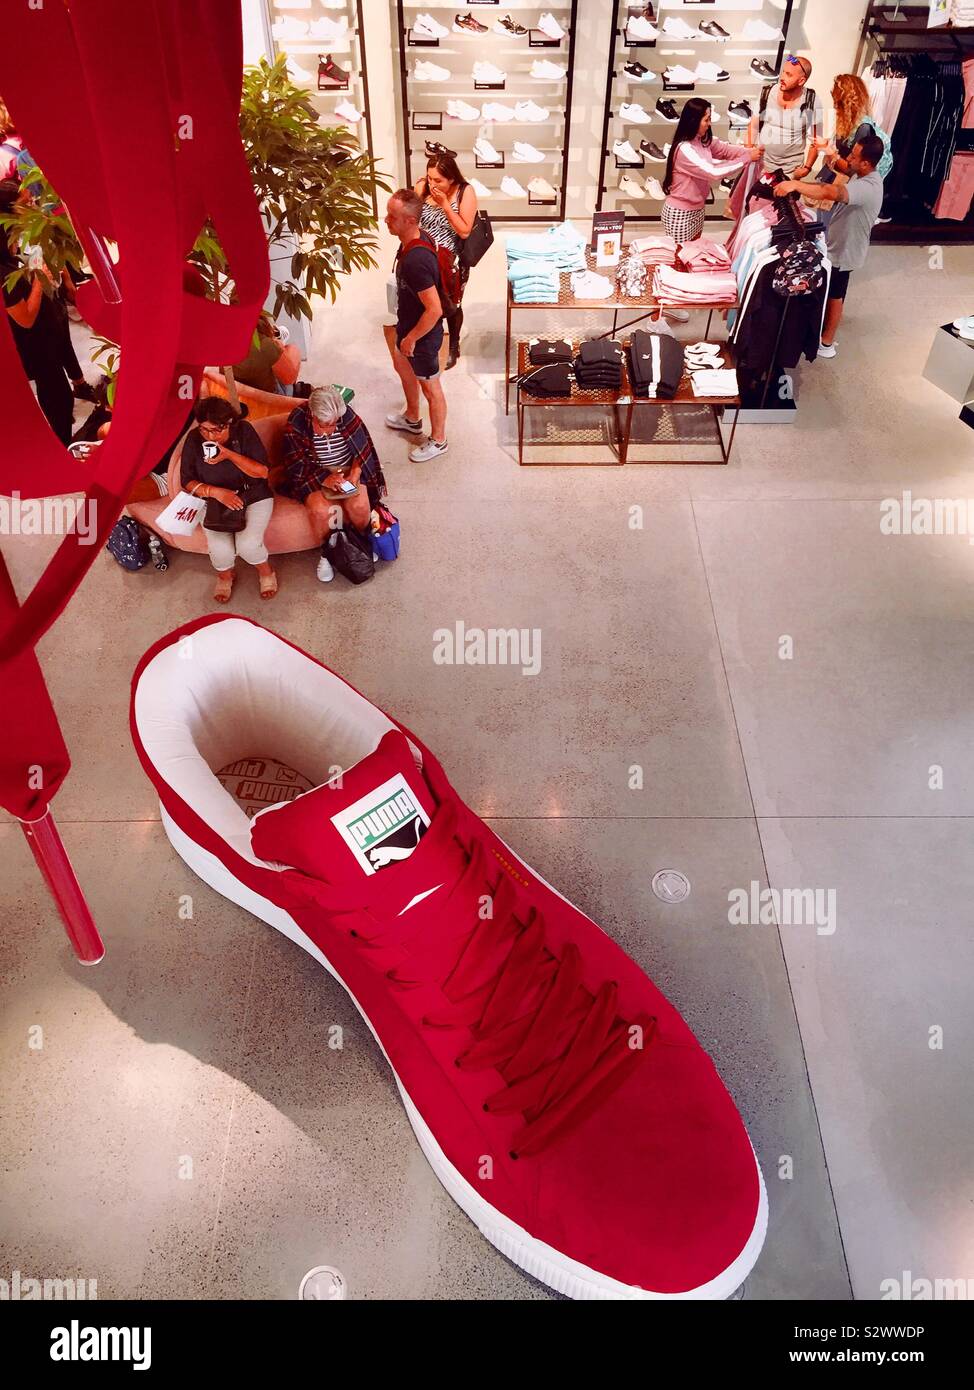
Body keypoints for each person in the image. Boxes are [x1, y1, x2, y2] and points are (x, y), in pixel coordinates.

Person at [772, 132, 885, 359]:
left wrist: (795, 185)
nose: (849, 160)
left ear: (866, 162)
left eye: (854, 156)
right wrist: (827, 150)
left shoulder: (867, 187)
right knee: (832, 289)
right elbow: (844, 169)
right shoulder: (864, 175)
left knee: (836, 294)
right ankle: (822, 332)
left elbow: (829, 192)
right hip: (840, 244)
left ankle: (827, 342)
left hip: (845, 250)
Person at [281, 385, 388, 584]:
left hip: (348, 468)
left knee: (359, 505)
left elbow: (363, 449)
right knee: (321, 511)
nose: (331, 430)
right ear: (312, 415)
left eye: (335, 424)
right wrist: (324, 478)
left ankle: (361, 544)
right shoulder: (296, 422)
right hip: (314, 472)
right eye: (325, 425)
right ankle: (328, 554)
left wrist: (356, 472)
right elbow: (295, 464)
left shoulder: (345, 414)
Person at [180, 398, 278, 601]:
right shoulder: (193, 439)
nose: (210, 435)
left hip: (252, 494)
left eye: (217, 430)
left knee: (248, 545)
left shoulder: (243, 431)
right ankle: (225, 575)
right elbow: (187, 481)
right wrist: (216, 492)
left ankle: (266, 571)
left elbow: (262, 472)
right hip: (213, 499)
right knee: (219, 549)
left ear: (229, 423)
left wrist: (229, 455)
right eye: (204, 430)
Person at [1, 178, 74, 443]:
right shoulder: (3, 270)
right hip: (35, 344)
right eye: (25, 205)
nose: (32, 207)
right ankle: (62, 443)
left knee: (57, 391)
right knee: (56, 395)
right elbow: (25, 318)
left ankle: (62, 434)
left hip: (47, 334)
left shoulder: (13, 245)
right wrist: (39, 279)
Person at [383, 188, 449, 463]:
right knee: (401, 366)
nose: (385, 219)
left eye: (392, 216)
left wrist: (411, 338)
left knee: (431, 388)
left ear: (410, 221)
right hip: (407, 325)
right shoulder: (414, 240)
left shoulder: (415, 261)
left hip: (421, 335)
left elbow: (435, 309)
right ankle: (412, 417)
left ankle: (439, 440)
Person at [661, 98, 762, 244]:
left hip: (698, 209)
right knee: (680, 257)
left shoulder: (703, 140)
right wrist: (747, 158)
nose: (709, 124)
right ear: (694, 120)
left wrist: (750, 151)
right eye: (706, 120)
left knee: (693, 254)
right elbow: (713, 172)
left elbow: (726, 150)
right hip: (680, 213)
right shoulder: (684, 149)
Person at [413, 152, 478, 369]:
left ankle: (453, 343)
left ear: (451, 178)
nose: (433, 183)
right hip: (422, 249)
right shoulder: (423, 187)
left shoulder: (464, 192)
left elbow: (464, 231)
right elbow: (414, 219)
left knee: (449, 302)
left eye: (438, 180)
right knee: (422, 297)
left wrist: (445, 205)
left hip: (449, 254)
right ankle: (428, 336)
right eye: (430, 177)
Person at [748, 54, 823, 182]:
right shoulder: (767, 92)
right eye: (783, 72)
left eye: (789, 75)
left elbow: (817, 140)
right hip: (762, 165)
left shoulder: (812, 100)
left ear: (801, 81)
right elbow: (753, 126)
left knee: (783, 202)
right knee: (755, 201)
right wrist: (749, 152)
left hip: (791, 170)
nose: (782, 77)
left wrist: (806, 169)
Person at [231, 310, 303, 395]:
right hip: (268, 397)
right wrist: (284, 348)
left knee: (274, 361)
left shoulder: (226, 343)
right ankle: (280, 341)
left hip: (241, 394)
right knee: (289, 353)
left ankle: (279, 340)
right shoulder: (265, 345)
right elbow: (289, 378)